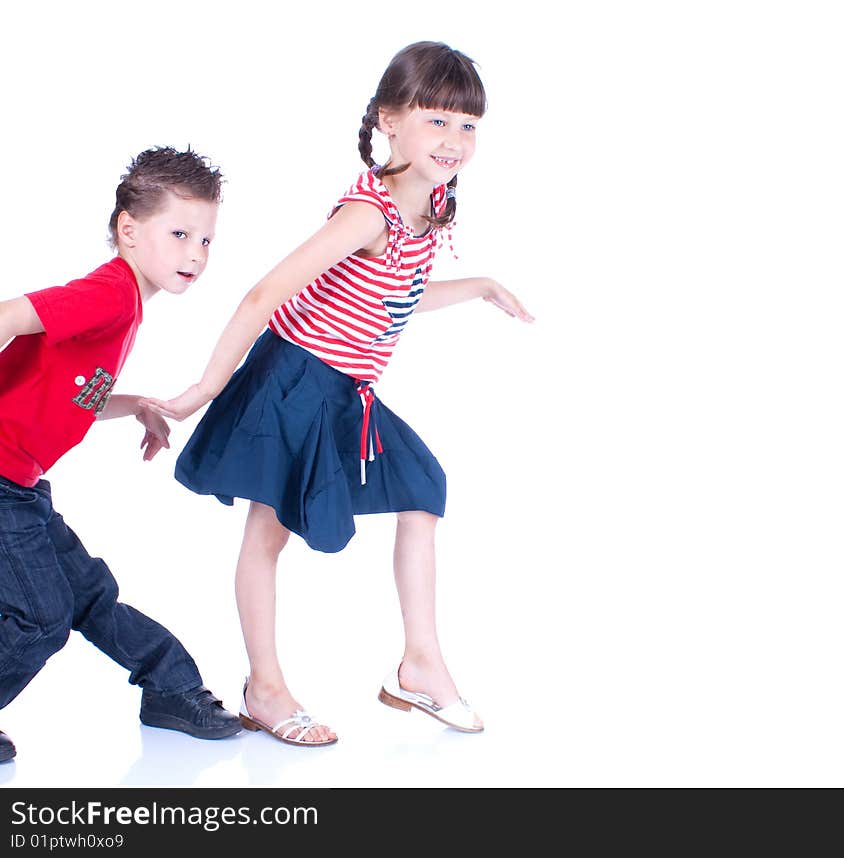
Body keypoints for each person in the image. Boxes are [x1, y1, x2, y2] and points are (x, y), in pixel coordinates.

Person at [143, 42, 533, 747]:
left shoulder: (432, 207)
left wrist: (477, 287)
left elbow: (393, 300)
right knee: (269, 534)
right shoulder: (369, 213)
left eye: (468, 125)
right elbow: (266, 292)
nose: (454, 140)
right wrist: (209, 384)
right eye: (436, 120)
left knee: (423, 488)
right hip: (292, 383)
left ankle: (420, 664)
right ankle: (265, 689)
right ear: (390, 120)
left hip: (345, 394)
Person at [0, 147, 242, 763]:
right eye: (180, 233)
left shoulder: (129, 303)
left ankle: (169, 687)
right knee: (40, 618)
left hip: (22, 484)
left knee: (86, 595)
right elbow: (7, 317)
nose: (195, 253)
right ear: (128, 231)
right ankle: (169, 685)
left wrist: (132, 404)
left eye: (207, 240)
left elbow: (78, 390)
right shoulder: (108, 294)